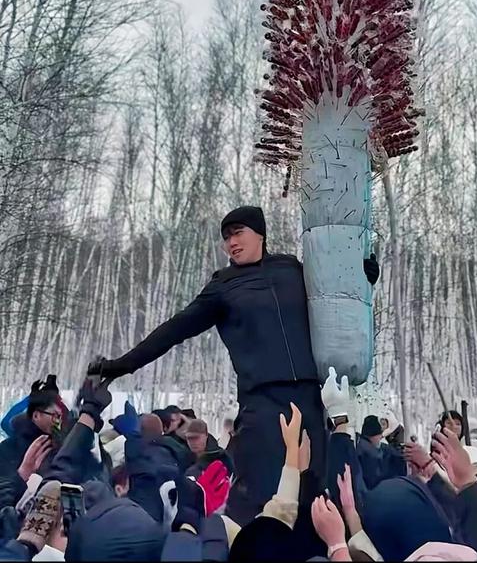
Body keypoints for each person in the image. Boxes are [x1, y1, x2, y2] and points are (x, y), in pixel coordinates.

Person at [87, 205, 380, 525]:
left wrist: (362, 277)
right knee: (266, 500)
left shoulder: (292, 269)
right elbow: (174, 329)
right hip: (261, 404)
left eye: (238, 233)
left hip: (310, 399)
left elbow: (333, 297)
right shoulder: (223, 286)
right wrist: (122, 365)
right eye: (226, 238)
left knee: (316, 497)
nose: (231, 243)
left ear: (260, 235)